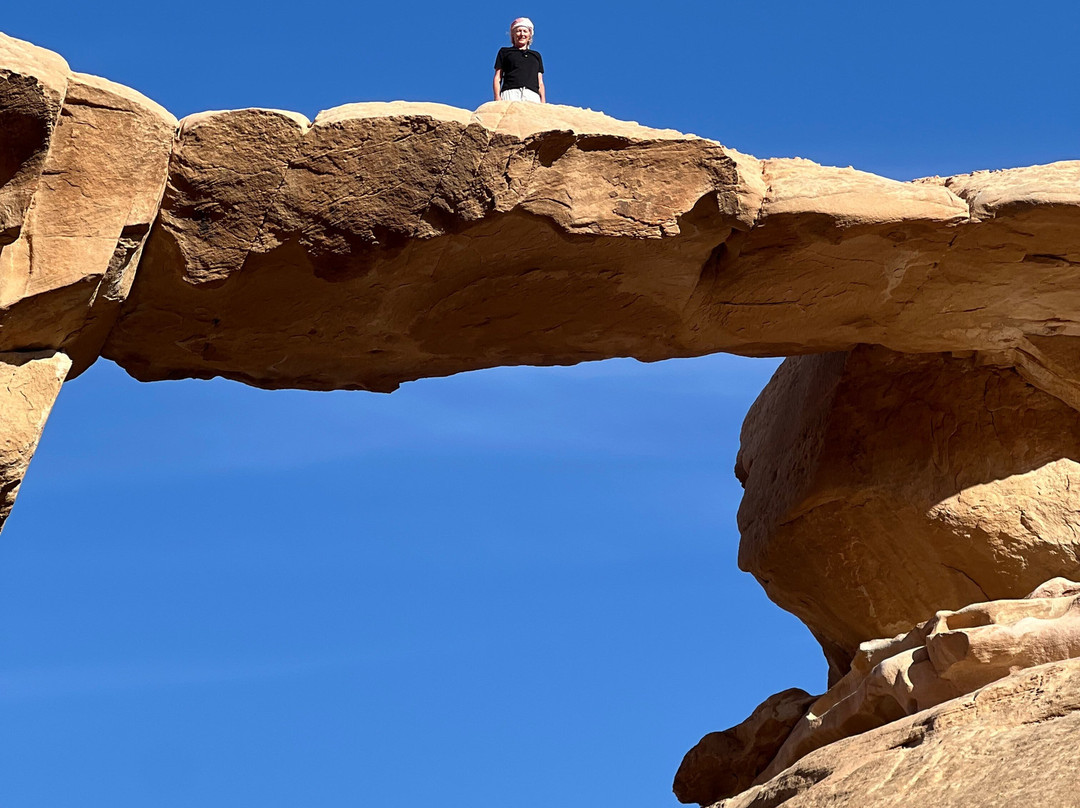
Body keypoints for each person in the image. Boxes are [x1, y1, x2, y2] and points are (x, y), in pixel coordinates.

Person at [493, 18, 546, 103]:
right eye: (518, 31)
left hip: (532, 95)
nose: (522, 34)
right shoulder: (505, 52)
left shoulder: (536, 56)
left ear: (529, 35)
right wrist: (497, 98)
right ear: (513, 35)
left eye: (525, 31)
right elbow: (497, 77)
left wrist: (543, 101)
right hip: (510, 93)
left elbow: (540, 82)